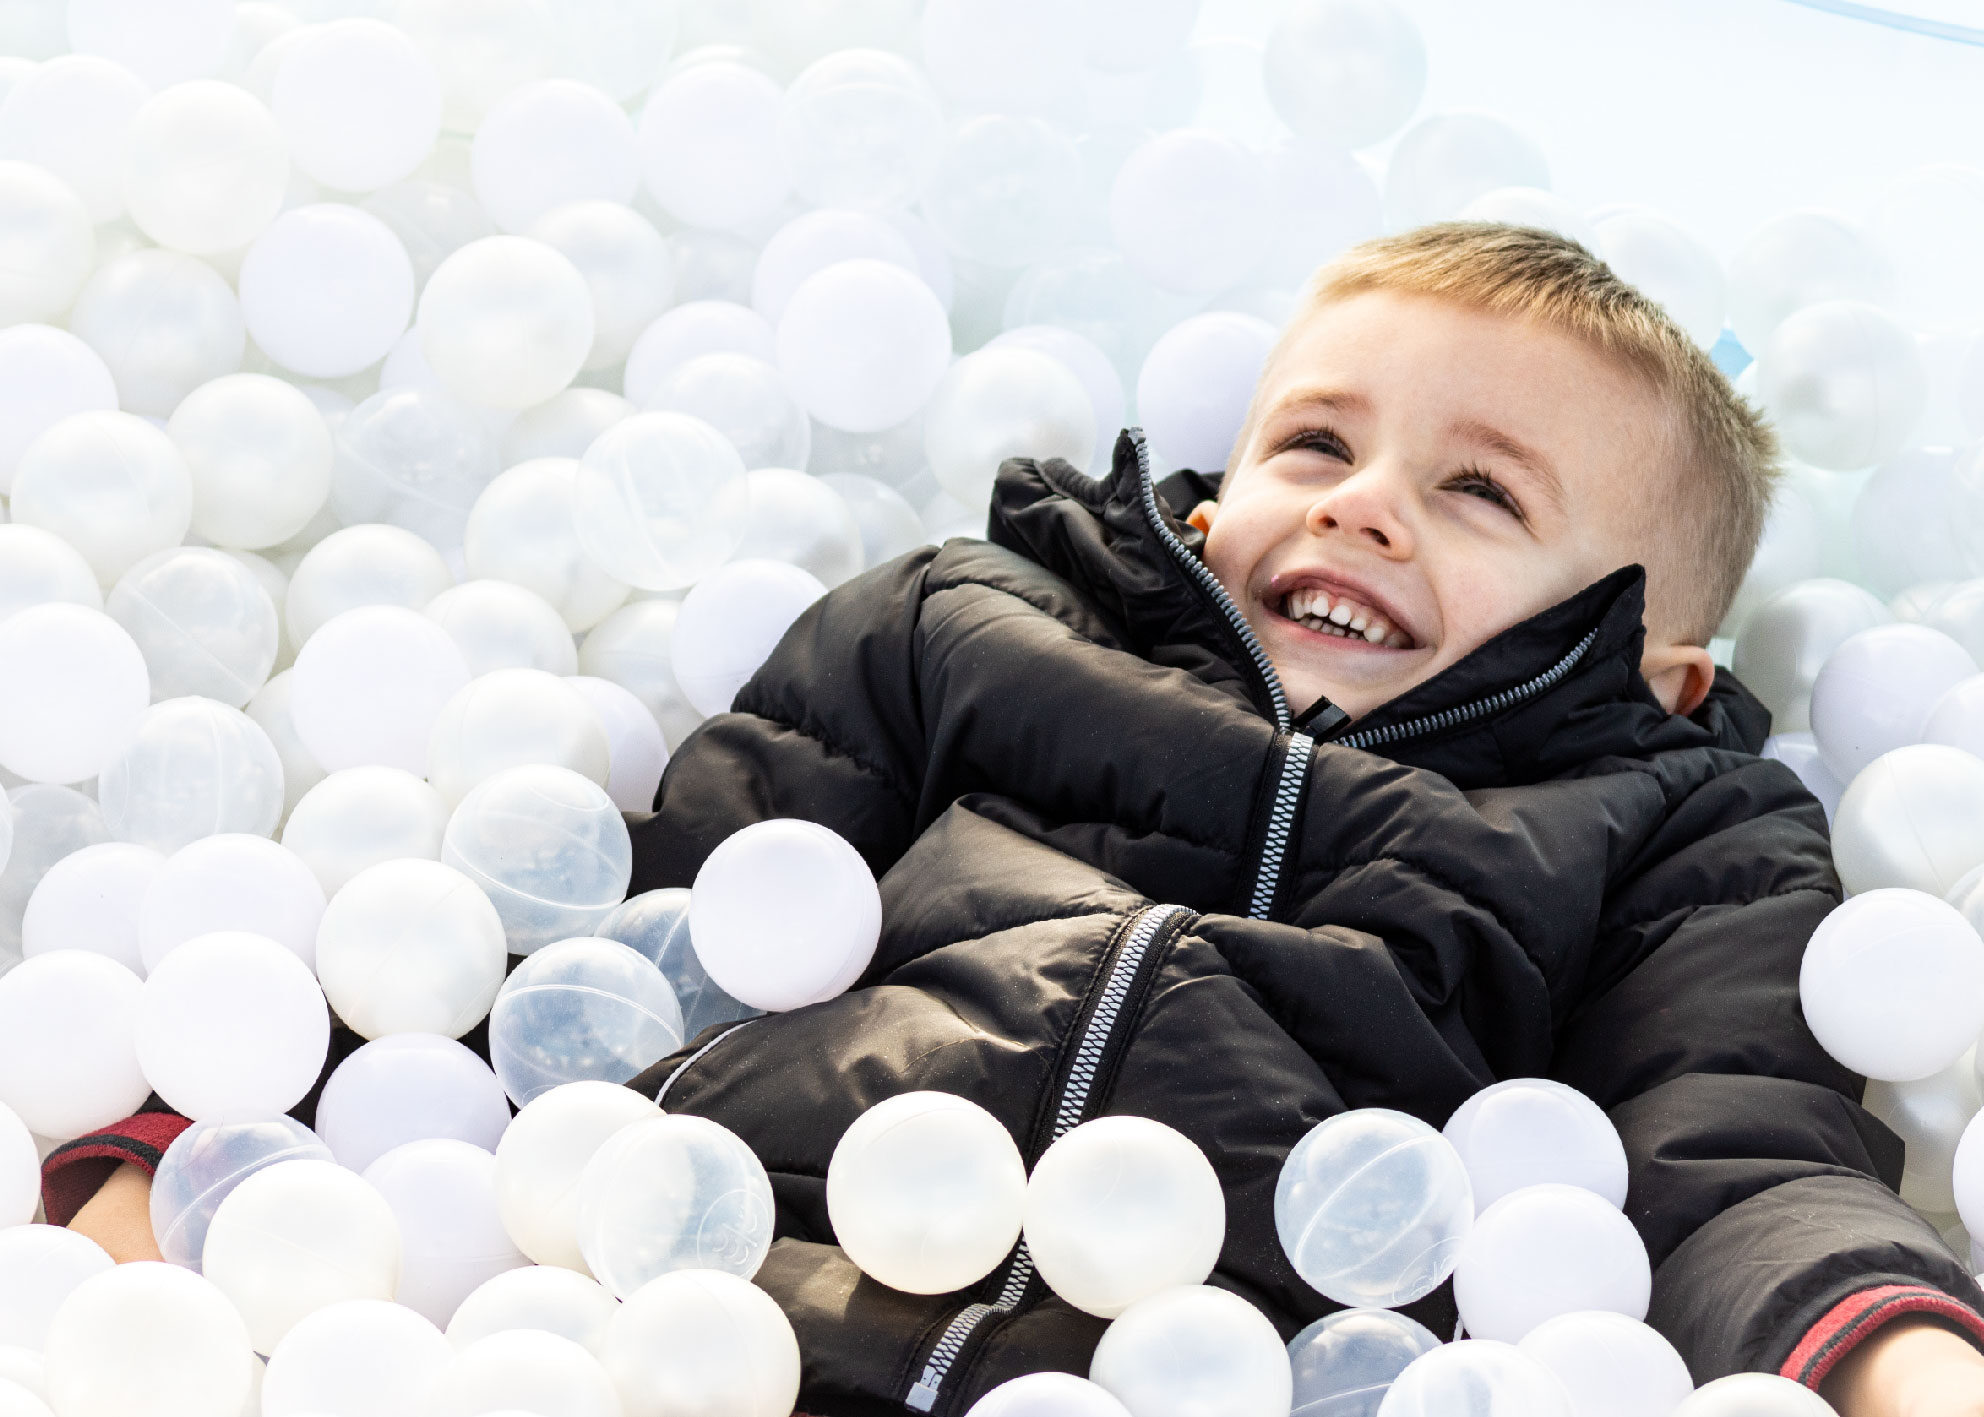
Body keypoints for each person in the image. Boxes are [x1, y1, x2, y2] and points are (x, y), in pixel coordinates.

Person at [49, 223, 1984, 1414]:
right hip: (717, 1289)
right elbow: (612, 933)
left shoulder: (1672, 820)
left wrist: (1903, 1356)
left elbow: (1724, 1153)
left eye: (1484, 494)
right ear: (1222, 492)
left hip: (1233, 1350)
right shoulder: (969, 626)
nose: (1364, 502)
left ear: (1660, 659)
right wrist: (219, 1152)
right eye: (1317, 440)